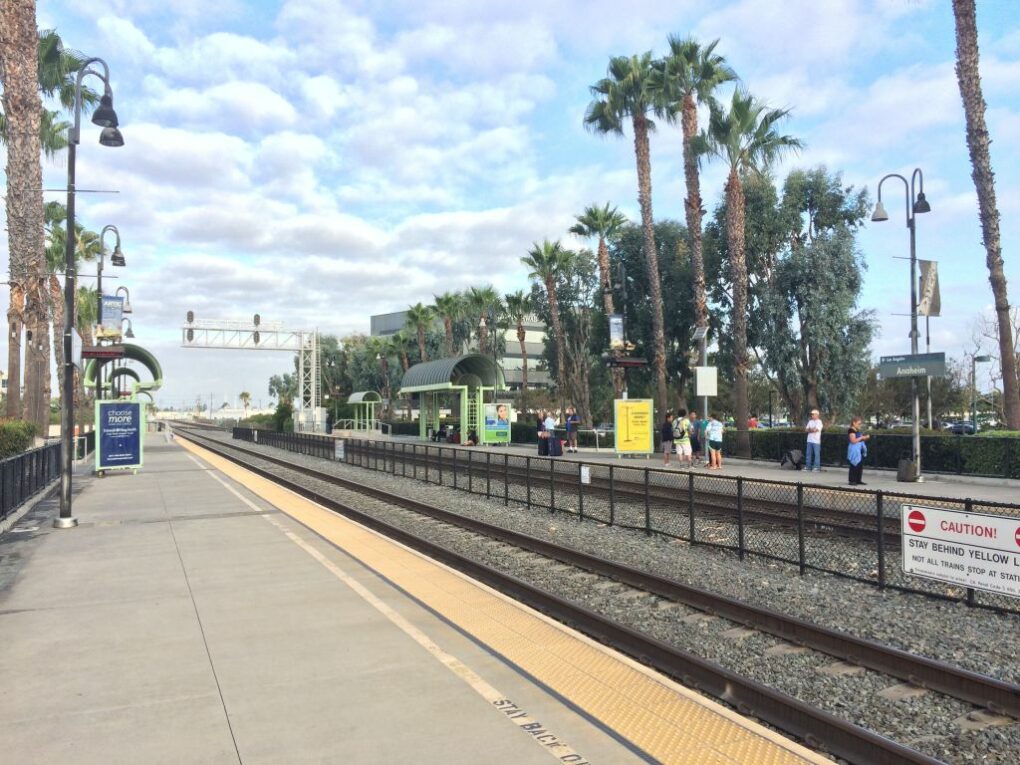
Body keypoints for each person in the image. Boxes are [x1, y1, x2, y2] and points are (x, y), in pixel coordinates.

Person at [847, 416, 870, 485]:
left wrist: (865, 438)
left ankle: (858, 479)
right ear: (854, 423)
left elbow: (859, 439)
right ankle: (852, 480)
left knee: (860, 465)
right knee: (854, 465)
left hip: (859, 449)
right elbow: (853, 440)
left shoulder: (857, 430)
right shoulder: (851, 430)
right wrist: (862, 437)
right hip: (854, 450)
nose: (859, 425)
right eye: (858, 423)